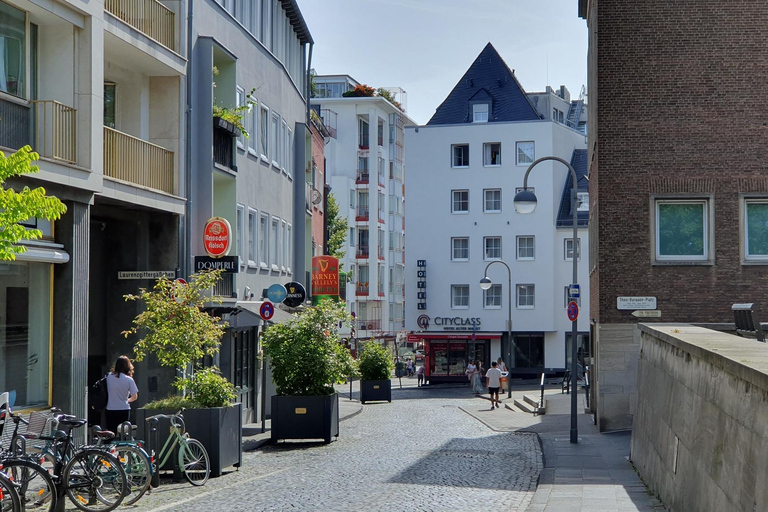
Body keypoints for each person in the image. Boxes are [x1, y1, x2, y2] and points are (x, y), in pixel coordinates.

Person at [105, 355, 138, 434]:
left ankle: (110, 446)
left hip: (110, 408)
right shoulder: (129, 379)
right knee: (123, 433)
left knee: (110, 433)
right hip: (124, 408)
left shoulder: (108, 377)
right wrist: (127, 400)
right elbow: (135, 396)